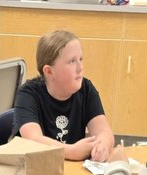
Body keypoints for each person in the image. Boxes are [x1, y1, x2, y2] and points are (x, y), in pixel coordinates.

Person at [11, 30, 114, 163]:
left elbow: (105, 132)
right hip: (35, 172)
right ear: (49, 72)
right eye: (72, 61)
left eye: (80, 59)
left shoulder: (86, 89)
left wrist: (103, 146)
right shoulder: (28, 94)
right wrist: (71, 151)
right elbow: (33, 140)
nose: (80, 67)